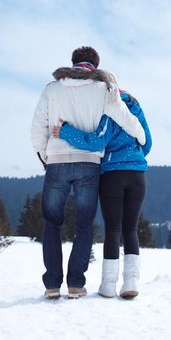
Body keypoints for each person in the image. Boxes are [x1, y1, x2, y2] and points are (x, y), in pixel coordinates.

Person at [31, 46, 146, 300]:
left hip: (56, 161)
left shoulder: (52, 88)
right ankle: (75, 284)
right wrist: (140, 135)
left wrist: (45, 156)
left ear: (73, 63)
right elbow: (124, 117)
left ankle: (52, 285)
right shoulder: (103, 89)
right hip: (89, 165)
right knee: (83, 225)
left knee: (52, 223)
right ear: (95, 65)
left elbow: (37, 128)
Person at [52, 78, 152, 299]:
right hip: (138, 176)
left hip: (113, 177)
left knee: (113, 230)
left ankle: (108, 285)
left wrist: (66, 131)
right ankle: (131, 283)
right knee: (131, 230)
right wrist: (133, 160)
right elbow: (148, 143)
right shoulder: (136, 109)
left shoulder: (109, 112)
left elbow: (95, 142)